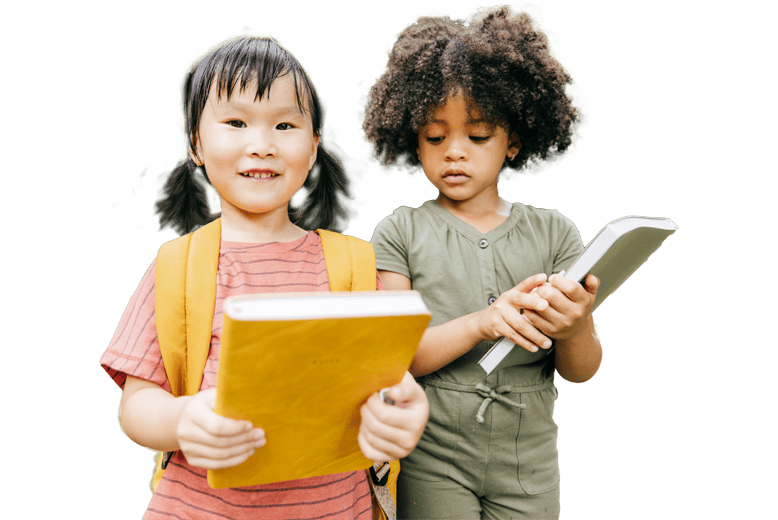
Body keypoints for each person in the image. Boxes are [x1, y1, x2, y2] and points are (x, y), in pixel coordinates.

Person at [100, 29, 428, 520]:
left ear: (314, 147)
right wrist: (183, 418)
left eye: (284, 126)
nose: (261, 145)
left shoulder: (354, 264)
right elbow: (137, 403)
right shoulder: (178, 266)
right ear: (196, 144)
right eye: (235, 122)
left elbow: (389, 378)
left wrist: (405, 412)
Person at [362, 6, 602, 519]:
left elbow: (580, 370)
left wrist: (576, 327)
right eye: (435, 136)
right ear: (413, 139)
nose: (454, 153)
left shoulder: (555, 232)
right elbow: (393, 357)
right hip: (433, 455)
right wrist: (481, 323)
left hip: (529, 461)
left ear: (512, 140)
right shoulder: (400, 231)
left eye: (477, 136)